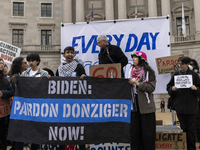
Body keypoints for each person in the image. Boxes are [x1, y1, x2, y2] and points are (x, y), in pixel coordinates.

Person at [12, 53, 50, 150]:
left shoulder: (44, 73)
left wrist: (48, 80)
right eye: (29, 61)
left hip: (38, 106)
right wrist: (17, 82)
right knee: (23, 129)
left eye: (33, 60)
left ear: (37, 61)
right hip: (26, 106)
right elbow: (20, 89)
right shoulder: (25, 74)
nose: (30, 63)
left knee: (36, 131)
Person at [167, 56, 200, 150]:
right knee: (183, 129)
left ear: (187, 64)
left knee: (191, 130)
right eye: (179, 63)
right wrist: (171, 89)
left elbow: (199, 89)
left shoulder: (194, 75)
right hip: (180, 107)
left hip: (192, 108)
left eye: (181, 64)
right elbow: (168, 87)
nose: (179, 65)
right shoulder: (176, 74)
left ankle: (191, 148)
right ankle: (183, 147)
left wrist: (196, 89)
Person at [56, 46, 86, 150]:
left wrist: (84, 78)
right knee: (63, 130)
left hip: (77, 103)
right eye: (68, 52)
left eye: (72, 52)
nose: (70, 54)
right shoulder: (59, 69)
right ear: (63, 55)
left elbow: (85, 85)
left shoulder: (79, 67)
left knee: (78, 130)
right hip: (63, 104)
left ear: (74, 55)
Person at [127, 51, 156, 150]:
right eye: (133, 57)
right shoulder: (129, 71)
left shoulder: (149, 72)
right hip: (133, 105)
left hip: (146, 107)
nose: (133, 59)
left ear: (141, 59)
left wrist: (138, 84)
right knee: (134, 133)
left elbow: (151, 87)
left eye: (136, 57)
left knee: (148, 134)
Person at [0, 58, 14, 150]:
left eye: (2, 63)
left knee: (2, 136)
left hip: (2, 116)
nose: (1, 65)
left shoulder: (5, 80)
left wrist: (2, 93)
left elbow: (12, 91)